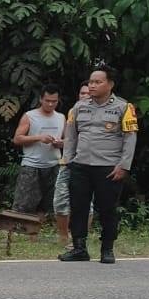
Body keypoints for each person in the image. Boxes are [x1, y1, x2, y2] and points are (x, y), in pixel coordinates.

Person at [59, 67, 137, 264]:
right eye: (91, 82)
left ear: (110, 84)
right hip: (80, 165)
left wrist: (124, 166)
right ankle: (79, 248)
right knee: (78, 208)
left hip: (109, 167)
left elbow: (130, 138)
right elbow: (71, 136)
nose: (92, 85)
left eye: (97, 82)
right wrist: (67, 161)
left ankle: (107, 248)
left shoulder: (124, 107)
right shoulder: (78, 107)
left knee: (107, 209)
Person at [12, 85, 64, 222]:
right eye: (47, 100)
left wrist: (60, 143)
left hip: (54, 165)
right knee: (23, 204)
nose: (51, 104)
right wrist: (39, 138)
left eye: (54, 101)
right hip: (32, 165)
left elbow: (68, 140)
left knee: (47, 205)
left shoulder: (61, 117)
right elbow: (17, 139)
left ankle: (37, 230)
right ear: (41, 99)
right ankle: (17, 228)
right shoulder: (30, 116)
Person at [48, 84, 92, 246]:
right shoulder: (73, 111)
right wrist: (62, 143)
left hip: (88, 162)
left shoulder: (99, 113)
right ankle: (63, 237)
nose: (84, 96)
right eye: (82, 93)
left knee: (86, 203)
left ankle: (80, 239)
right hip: (67, 162)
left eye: (88, 93)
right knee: (60, 201)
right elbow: (70, 137)